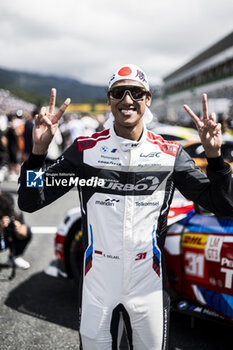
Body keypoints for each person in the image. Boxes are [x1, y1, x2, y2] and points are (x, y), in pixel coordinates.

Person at [17, 64, 233, 350]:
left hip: (149, 284)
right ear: (109, 100)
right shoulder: (84, 151)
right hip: (97, 282)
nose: (127, 99)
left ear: (148, 99)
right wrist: (37, 155)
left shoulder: (170, 155)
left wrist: (215, 159)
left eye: (136, 92)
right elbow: (31, 200)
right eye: (119, 92)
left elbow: (222, 204)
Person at [0, 192, 32, 269]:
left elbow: (24, 233)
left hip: (9, 238)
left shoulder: (15, 213)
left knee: (28, 231)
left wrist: (18, 229)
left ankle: (14, 257)